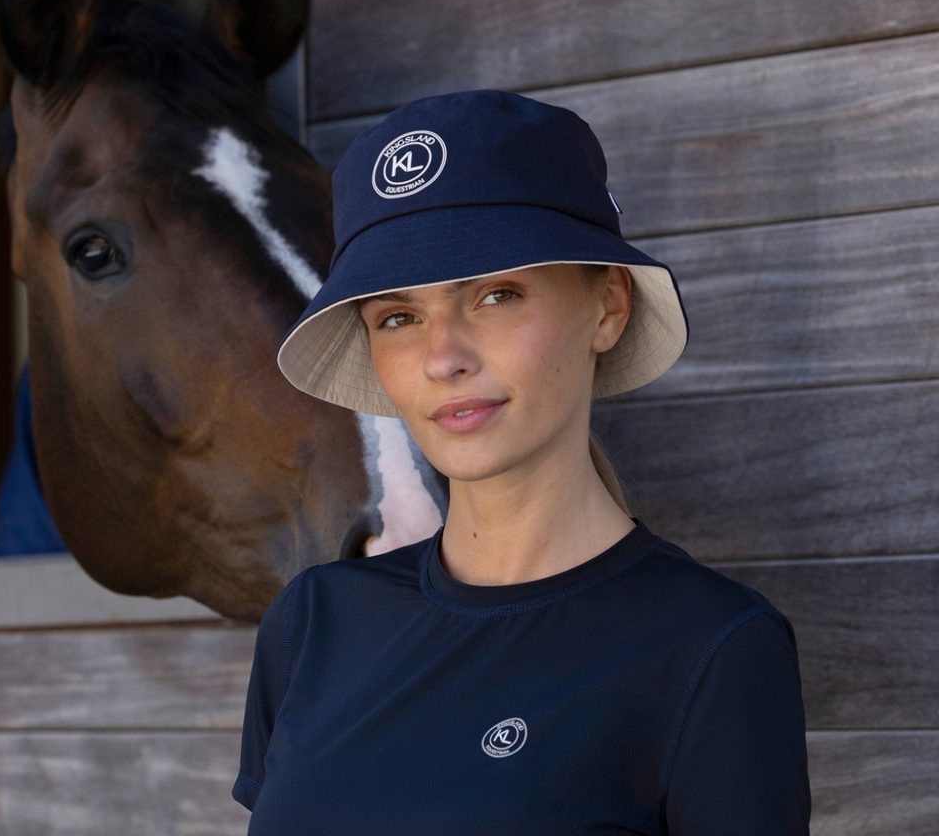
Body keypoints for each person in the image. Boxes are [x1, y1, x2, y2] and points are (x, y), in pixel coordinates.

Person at [232, 89, 812, 834]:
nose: (443, 358)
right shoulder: (313, 623)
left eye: (497, 295)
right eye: (399, 317)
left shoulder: (712, 647)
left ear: (607, 308)